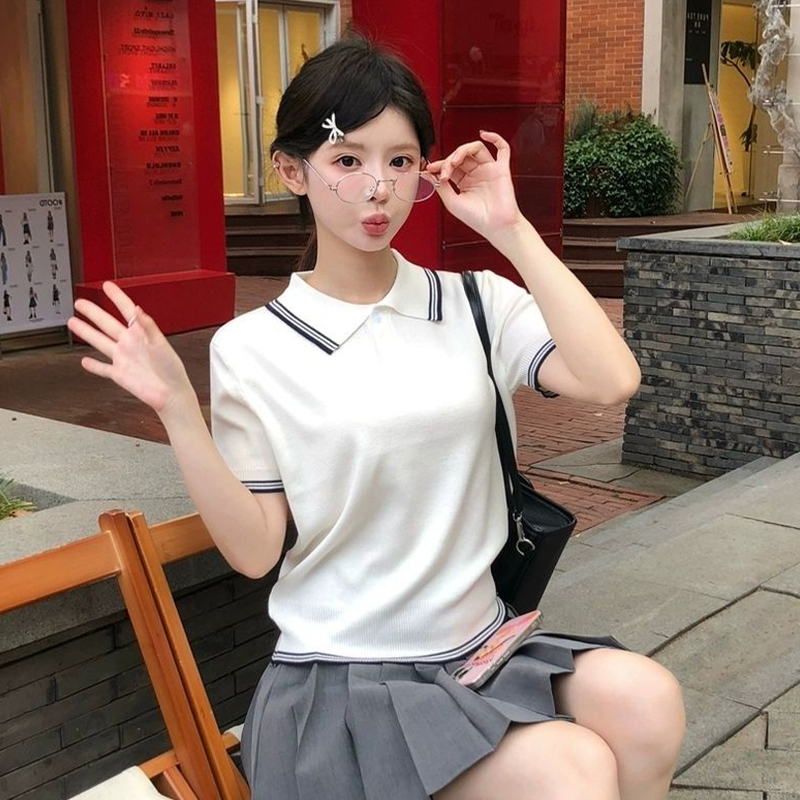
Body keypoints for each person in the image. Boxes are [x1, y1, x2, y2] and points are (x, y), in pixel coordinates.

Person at [67, 31, 685, 800]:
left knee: (650, 702)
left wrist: (509, 230)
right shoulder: (254, 348)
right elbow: (255, 551)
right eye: (347, 160)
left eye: (399, 161)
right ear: (292, 170)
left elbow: (613, 379)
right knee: (575, 771)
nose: (377, 188)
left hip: (477, 651)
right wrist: (177, 413)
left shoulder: (473, 303)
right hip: (343, 679)